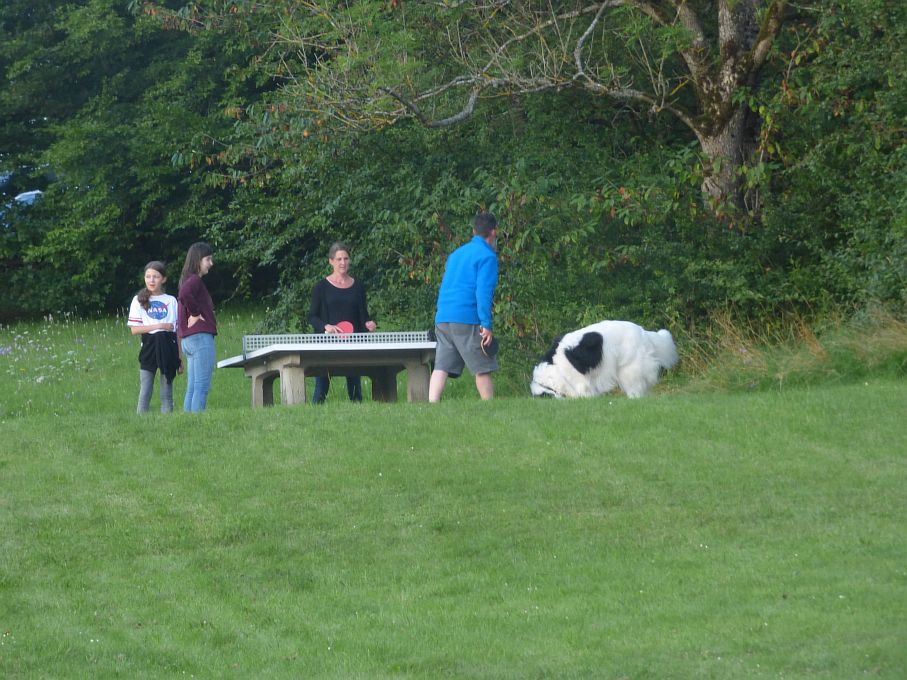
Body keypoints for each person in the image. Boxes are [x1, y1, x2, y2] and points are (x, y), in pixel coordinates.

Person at [429, 211, 500, 402]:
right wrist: (486, 323)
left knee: (441, 365)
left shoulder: (456, 254)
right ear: (493, 233)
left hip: (443, 316)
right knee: (482, 366)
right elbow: (483, 292)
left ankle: (430, 407)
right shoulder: (487, 256)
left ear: (474, 231)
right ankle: (490, 407)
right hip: (466, 317)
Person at [308, 241, 377, 403]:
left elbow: (364, 316)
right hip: (326, 344)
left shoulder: (358, 286)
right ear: (331, 261)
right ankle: (314, 414)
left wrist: (369, 324)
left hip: (352, 344)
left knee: (355, 387)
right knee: (321, 388)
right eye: (339, 259)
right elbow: (312, 316)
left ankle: (358, 413)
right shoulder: (320, 288)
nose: (343, 263)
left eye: (346, 258)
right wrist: (326, 326)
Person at [127, 261, 181, 413]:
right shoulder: (139, 300)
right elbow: (135, 329)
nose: (151, 280)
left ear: (163, 279)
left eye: (155, 277)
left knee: (167, 390)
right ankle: (140, 422)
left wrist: (180, 357)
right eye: (148, 276)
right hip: (149, 346)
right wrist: (159, 326)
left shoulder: (171, 301)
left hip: (168, 347)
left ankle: (167, 423)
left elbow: (177, 332)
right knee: (146, 389)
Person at [178, 242, 217, 412]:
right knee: (202, 386)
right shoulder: (194, 281)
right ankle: (197, 422)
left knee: (193, 387)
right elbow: (184, 294)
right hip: (200, 338)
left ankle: (189, 423)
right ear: (197, 261)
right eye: (208, 259)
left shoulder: (188, 280)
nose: (211, 263)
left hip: (189, 339)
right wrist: (195, 313)